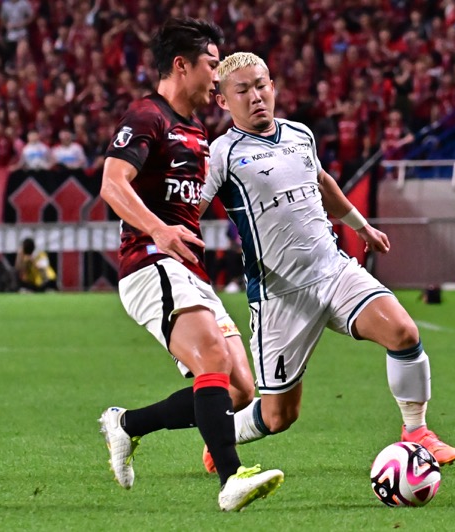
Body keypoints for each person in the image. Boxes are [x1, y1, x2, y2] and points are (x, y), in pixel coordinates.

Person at [200, 52, 455, 473]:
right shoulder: (222, 154)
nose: (256, 97)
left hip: (334, 270)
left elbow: (321, 181)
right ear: (223, 101)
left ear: (274, 86)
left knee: (403, 331)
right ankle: (222, 435)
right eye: (243, 90)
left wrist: (362, 227)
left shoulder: (300, 134)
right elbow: (190, 209)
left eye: (262, 85)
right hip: (280, 294)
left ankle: (416, 431)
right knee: (278, 416)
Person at [96, 19, 283, 512]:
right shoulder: (147, 116)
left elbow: (188, 206)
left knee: (239, 389)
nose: (216, 74)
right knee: (214, 363)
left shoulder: (196, 131)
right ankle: (231, 479)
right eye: (210, 64)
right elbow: (113, 185)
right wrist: (157, 230)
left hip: (187, 270)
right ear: (181, 65)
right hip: (149, 263)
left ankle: (127, 424)